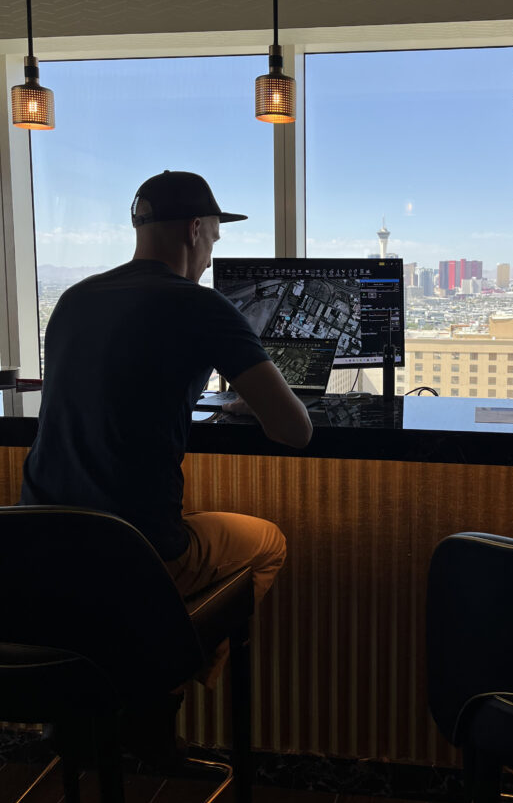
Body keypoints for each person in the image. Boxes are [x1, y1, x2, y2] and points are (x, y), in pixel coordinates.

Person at [20, 169, 312, 764]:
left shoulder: (74, 301)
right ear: (196, 229)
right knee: (267, 542)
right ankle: (157, 696)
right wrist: (248, 407)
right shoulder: (199, 306)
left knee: (161, 537)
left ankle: (94, 702)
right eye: (214, 237)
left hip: (34, 558)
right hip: (133, 555)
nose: (212, 252)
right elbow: (294, 429)